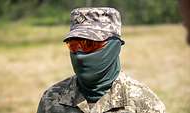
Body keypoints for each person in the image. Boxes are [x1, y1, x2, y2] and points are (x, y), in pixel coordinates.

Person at [37, 7, 166, 113]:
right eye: (74, 45)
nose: (80, 55)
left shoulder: (145, 105)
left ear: (114, 46)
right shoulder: (52, 99)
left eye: (90, 44)